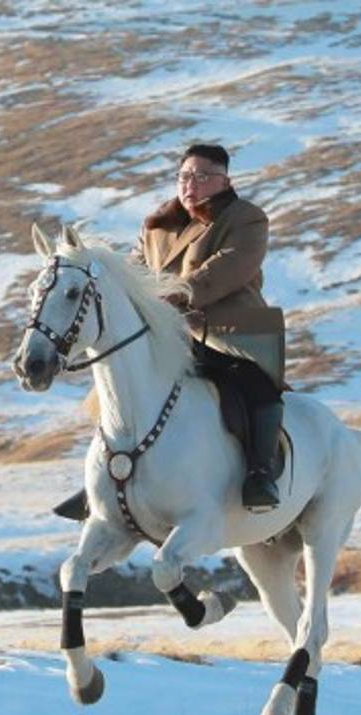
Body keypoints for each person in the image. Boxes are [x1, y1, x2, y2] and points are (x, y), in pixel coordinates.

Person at [52, 144, 285, 520]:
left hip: (231, 330)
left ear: (225, 181)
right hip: (170, 332)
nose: (190, 184)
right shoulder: (156, 225)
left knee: (256, 387)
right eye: (184, 176)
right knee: (116, 389)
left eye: (202, 176)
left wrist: (175, 294)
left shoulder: (246, 219)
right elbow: (134, 272)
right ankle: (105, 480)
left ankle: (260, 474)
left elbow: (228, 268)